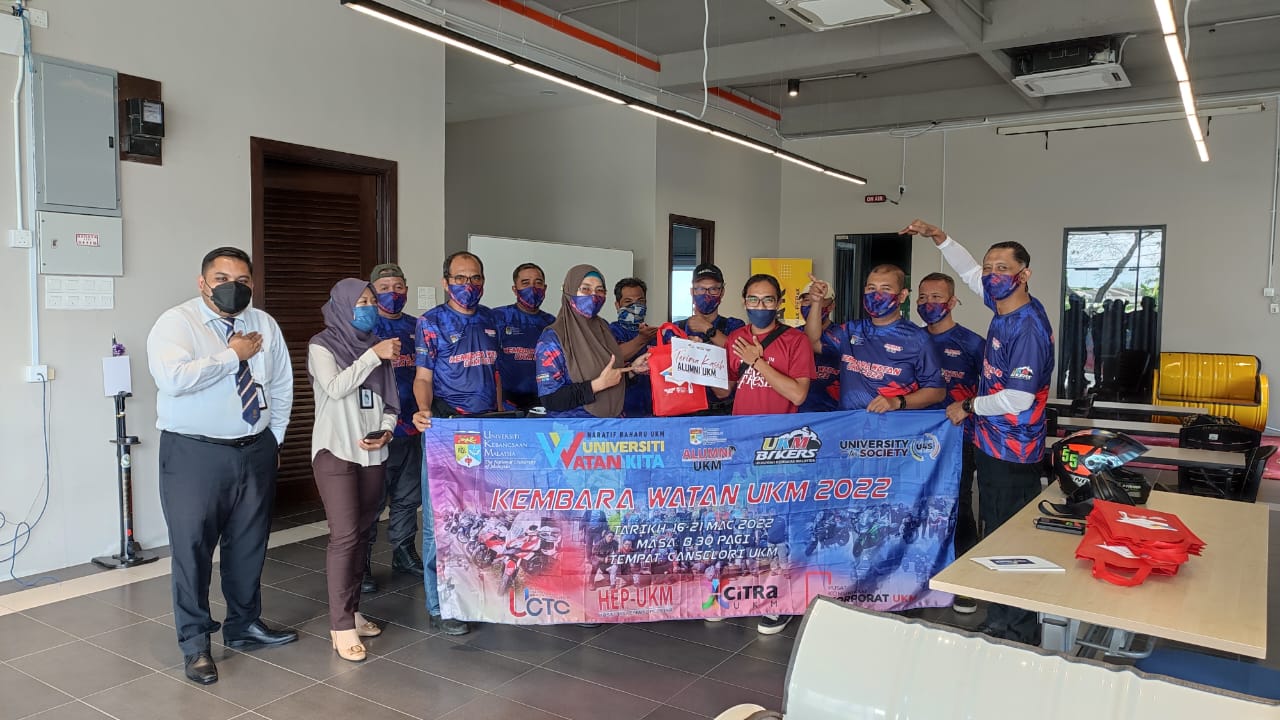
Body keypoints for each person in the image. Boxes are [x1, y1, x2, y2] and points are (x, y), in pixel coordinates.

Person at [146, 247, 297, 686]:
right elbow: (172, 378)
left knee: (249, 543)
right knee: (192, 549)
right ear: (203, 283)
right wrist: (233, 356)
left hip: (255, 448)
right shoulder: (177, 323)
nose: (234, 286)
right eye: (222, 278)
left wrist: (275, 438)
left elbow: (282, 384)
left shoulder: (264, 323)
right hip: (195, 454)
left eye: (243, 280)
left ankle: (244, 625)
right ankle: (195, 644)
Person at [903, 219, 1054, 645]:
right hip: (991, 443)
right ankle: (1001, 618)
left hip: (1013, 450)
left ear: (1024, 274)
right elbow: (969, 273)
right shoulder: (1003, 308)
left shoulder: (1027, 327)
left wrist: (967, 405)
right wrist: (940, 238)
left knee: (1009, 538)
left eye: (1002, 269)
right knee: (997, 533)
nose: (991, 275)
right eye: (990, 268)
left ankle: (1018, 628)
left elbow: (1018, 398)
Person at [411, 250, 504, 637]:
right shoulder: (431, 322)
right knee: (440, 521)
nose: (469, 285)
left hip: (489, 430)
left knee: (484, 516)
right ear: (446, 282)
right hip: (447, 430)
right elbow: (423, 377)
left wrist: (502, 415)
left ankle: (479, 595)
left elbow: (495, 374)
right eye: (461, 278)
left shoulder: (490, 319)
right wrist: (423, 411)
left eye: (475, 277)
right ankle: (440, 605)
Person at [307, 279, 400, 662]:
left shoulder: (378, 347)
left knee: (362, 536)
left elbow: (392, 404)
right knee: (344, 536)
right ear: (342, 305)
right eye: (360, 301)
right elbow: (335, 387)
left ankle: (354, 611)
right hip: (336, 452)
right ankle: (340, 625)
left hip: (372, 455)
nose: (368, 307)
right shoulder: (322, 345)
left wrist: (387, 431)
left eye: (371, 301)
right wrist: (371, 357)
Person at [720, 274, 815, 635]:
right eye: (754, 299)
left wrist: (757, 361)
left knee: (779, 526)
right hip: (742, 444)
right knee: (746, 521)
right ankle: (745, 591)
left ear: (779, 303)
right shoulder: (735, 338)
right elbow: (726, 389)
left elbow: (797, 394)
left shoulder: (795, 341)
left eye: (768, 300)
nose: (760, 306)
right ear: (743, 301)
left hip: (781, 448)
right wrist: (691, 364)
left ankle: (781, 601)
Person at [915, 271, 985, 614]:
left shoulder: (972, 343)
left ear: (953, 301)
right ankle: (917, 574)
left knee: (958, 506)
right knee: (915, 505)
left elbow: (992, 392)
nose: (929, 303)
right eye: (923, 297)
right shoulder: (912, 339)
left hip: (959, 439)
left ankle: (965, 582)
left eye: (937, 297)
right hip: (914, 441)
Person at [358, 263, 424, 596]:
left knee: (408, 497)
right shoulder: (365, 327)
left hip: (412, 428)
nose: (392, 293)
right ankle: (362, 562)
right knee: (370, 501)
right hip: (376, 431)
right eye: (384, 288)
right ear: (372, 291)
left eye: (398, 287)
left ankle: (403, 552)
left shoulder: (418, 326)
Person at [803, 266, 946, 413]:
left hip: (894, 425)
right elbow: (812, 342)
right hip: (850, 423)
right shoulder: (850, 330)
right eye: (871, 288)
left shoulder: (918, 339)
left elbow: (937, 391)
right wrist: (816, 303)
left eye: (886, 289)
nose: (877, 295)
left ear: (902, 295)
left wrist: (897, 402)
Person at [535, 265, 650, 418]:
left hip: (610, 425)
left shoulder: (603, 329)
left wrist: (632, 370)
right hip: (573, 428)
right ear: (570, 291)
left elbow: (610, 378)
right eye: (586, 289)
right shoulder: (553, 338)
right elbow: (550, 399)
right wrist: (597, 385)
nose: (594, 296)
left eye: (600, 290)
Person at [673, 263, 745, 412]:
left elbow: (739, 353)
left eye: (713, 289)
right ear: (692, 291)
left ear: (722, 292)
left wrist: (708, 329)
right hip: (685, 411)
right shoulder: (676, 329)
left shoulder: (734, 326)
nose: (706, 294)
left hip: (723, 411)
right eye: (700, 288)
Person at [493, 263, 556, 411]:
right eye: (525, 283)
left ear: (545, 288)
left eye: (538, 283)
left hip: (543, 403)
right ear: (515, 289)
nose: (532, 288)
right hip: (507, 403)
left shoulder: (553, 324)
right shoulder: (498, 317)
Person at [609, 277, 659, 417]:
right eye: (628, 301)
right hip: (622, 413)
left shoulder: (655, 335)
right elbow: (614, 357)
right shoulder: (609, 331)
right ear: (617, 305)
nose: (635, 307)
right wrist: (641, 340)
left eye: (640, 301)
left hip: (652, 412)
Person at [797, 280, 840, 413]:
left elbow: (811, 340)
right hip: (797, 414)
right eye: (806, 300)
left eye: (819, 300)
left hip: (832, 414)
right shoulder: (791, 335)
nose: (811, 304)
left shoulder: (842, 335)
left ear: (831, 306)